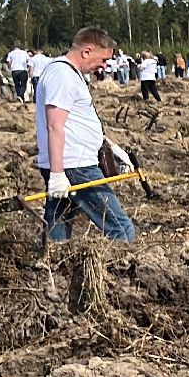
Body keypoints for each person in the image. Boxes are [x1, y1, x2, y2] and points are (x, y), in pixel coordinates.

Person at [34, 27, 136, 243]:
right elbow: (55, 126)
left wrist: (111, 147)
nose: (104, 65)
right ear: (87, 51)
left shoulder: (69, 74)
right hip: (75, 166)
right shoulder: (62, 75)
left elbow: (78, 122)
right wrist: (58, 174)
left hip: (71, 164)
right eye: (103, 59)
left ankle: (52, 269)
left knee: (58, 230)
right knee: (121, 229)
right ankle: (122, 271)